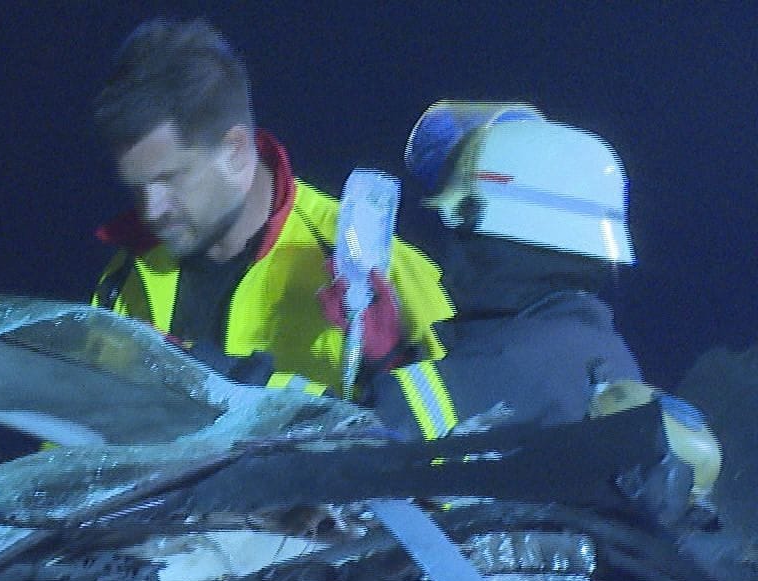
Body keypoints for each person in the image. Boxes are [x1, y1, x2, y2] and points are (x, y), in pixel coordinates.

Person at [88, 16, 452, 396]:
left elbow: (468, 441)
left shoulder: (382, 272)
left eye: (169, 179)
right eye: (138, 187)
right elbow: (77, 439)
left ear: (236, 151)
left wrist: (394, 364)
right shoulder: (123, 279)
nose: (152, 209)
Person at [370, 105, 646, 439]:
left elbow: (337, 448)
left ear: (510, 237)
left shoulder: (498, 369)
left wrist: (380, 362)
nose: (448, 263)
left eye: (464, 234)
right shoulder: (602, 358)